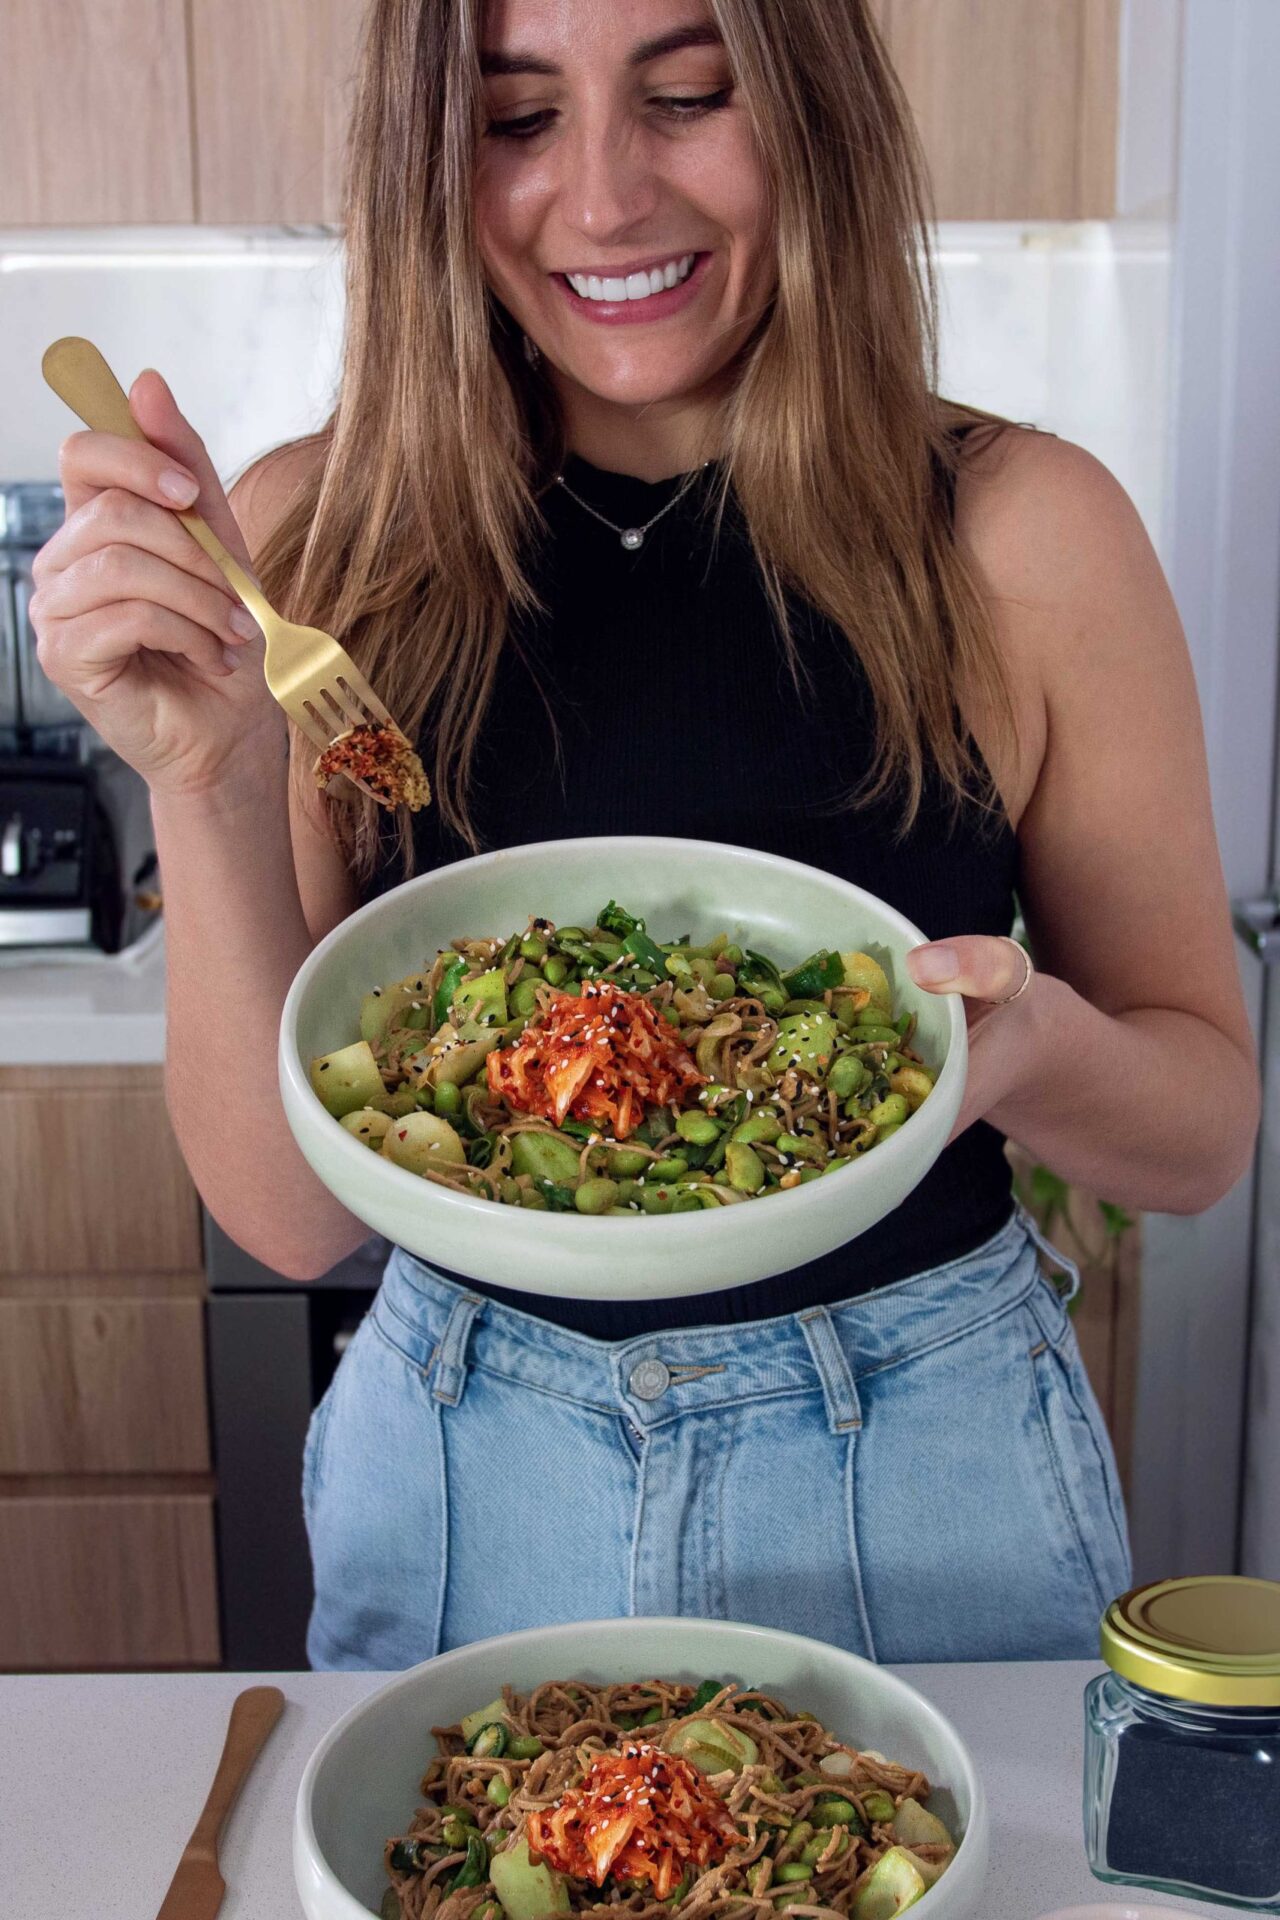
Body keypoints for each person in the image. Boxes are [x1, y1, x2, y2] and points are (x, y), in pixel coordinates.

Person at [31, 0, 1258, 1670]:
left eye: (687, 96)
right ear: (424, 164)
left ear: (812, 111)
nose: (604, 200)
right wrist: (208, 766)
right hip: (471, 1456)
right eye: (516, 121)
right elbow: (298, 1217)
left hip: (924, 1448)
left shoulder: (1023, 532)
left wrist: (1025, 1047)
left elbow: (1201, 1136)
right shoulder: (317, 541)